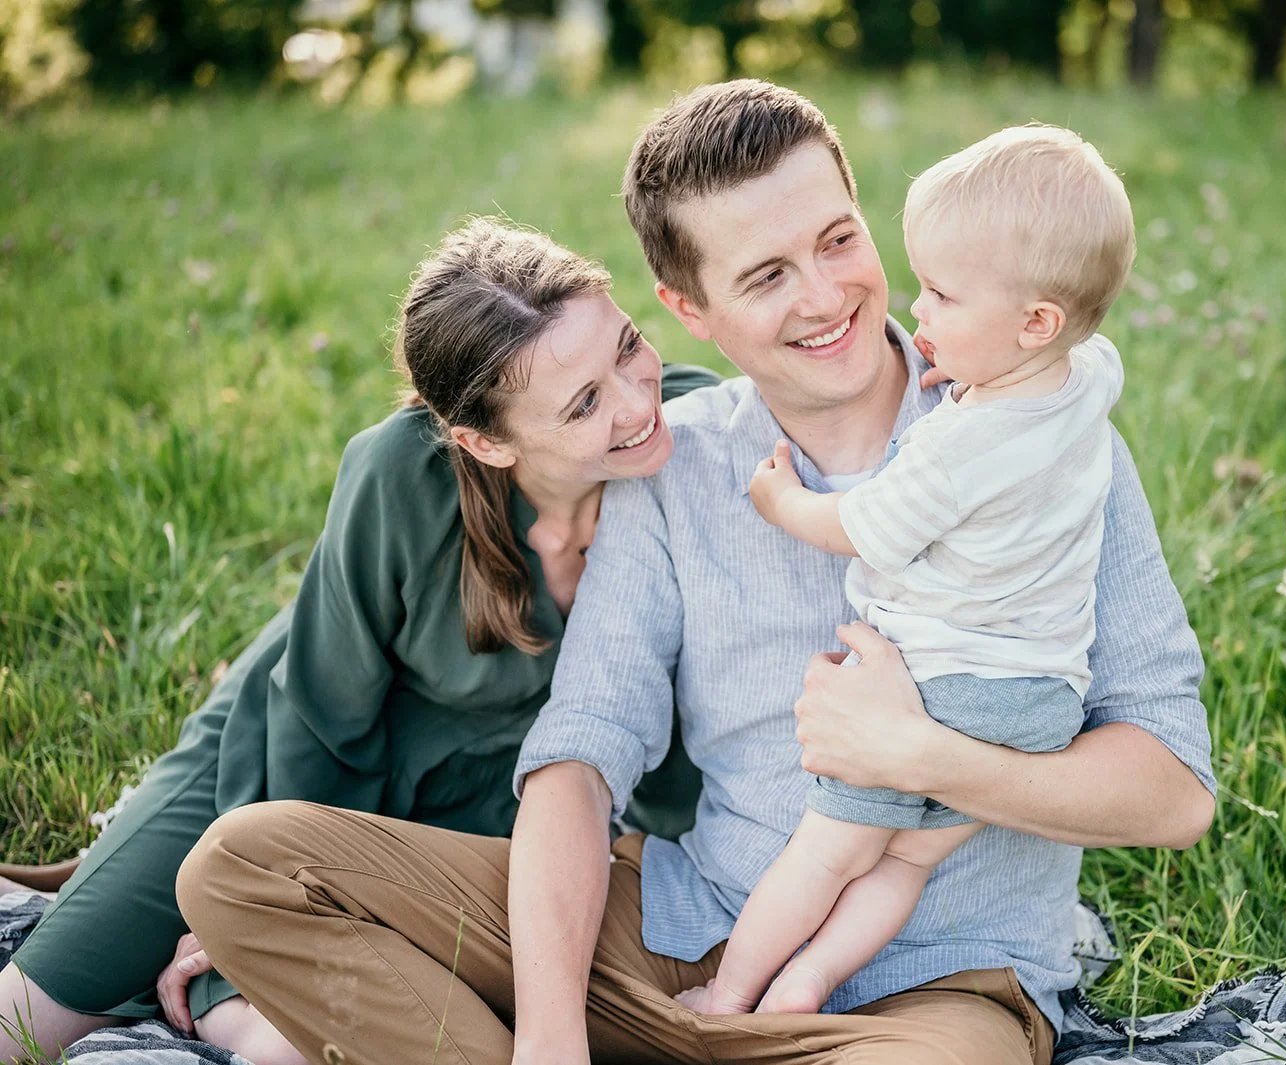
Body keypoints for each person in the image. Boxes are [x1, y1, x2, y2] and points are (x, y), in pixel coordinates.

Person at [174, 79, 1215, 1065]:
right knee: (247, 866)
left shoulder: (1047, 445)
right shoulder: (682, 464)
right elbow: (583, 755)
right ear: (690, 313)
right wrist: (548, 1033)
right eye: (765, 276)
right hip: (674, 942)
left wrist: (920, 755)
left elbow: (1173, 798)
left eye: (838, 240)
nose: (824, 295)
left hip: (932, 995)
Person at [0, 218, 718, 1065]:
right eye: (585, 402)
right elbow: (318, 715)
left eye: (628, 346)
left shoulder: (699, 437)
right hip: (282, 768)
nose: (640, 400)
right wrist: (265, 905)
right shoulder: (400, 478)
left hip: (494, 825)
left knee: (317, 1049)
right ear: (485, 441)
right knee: (23, 1021)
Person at [676, 124, 1135, 1017]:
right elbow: (1045, 367)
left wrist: (781, 503)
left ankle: (731, 992)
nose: (918, 316)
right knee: (909, 861)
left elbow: (868, 525)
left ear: (1033, 321)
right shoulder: (1089, 376)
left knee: (829, 852)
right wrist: (983, 363)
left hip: (940, 688)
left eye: (943, 297)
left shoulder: (956, 443)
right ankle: (807, 982)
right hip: (1038, 702)